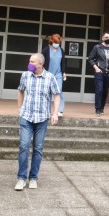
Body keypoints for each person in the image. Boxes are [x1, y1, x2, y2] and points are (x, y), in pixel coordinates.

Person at [16, 53, 61, 191]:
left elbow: (57, 95)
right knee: (24, 146)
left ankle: (33, 178)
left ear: (40, 64)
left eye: (32, 61)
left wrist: (55, 113)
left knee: (37, 149)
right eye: (29, 60)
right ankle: (21, 178)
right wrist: (19, 109)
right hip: (26, 116)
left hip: (41, 118)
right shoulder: (25, 75)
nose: (29, 63)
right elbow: (20, 91)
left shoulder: (50, 77)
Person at [88, 31, 109, 115]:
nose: (108, 39)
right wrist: (96, 68)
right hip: (99, 72)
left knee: (105, 91)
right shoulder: (97, 47)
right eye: (106, 37)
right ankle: (97, 108)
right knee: (99, 90)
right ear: (102, 38)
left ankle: (102, 108)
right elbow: (90, 59)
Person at [42, 33, 67, 118]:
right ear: (51, 41)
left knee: (59, 91)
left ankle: (60, 110)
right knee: (48, 92)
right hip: (48, 74)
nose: (57, 44)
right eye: (55, 42)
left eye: (58, 43)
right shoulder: (46, 50)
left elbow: (63, 62)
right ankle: (48, 111)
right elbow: (42, 61)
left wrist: (63, 72)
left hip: (58, 74)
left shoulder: (61, 50)